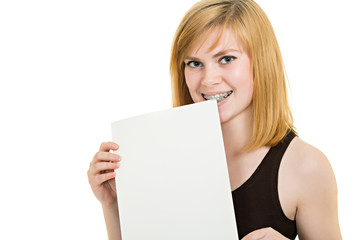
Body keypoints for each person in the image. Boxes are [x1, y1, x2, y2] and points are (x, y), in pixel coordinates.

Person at [87, 0, 342, 239]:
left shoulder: (307, 167)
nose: (209, 80)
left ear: (261, 62)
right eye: (195, 63)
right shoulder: (160, 155)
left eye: (226, 59)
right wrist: (112, 205)